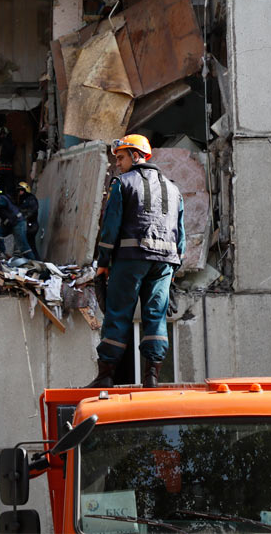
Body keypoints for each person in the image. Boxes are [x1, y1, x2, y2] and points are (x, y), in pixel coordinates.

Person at [87, 134, 184, 389]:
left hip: (131, 259)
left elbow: (110, 227)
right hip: (164, 263)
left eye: (120, 157)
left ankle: (106, 375)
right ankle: (151, 376)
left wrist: (103, 261)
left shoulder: (122, 183)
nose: (117, 163)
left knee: (118, 315)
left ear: (136, 155)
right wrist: (174, 271)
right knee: (156, 317)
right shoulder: (174, 189)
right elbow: (180, 234)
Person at [0, 182, 34, 260]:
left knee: (23, 245)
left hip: (18, 223)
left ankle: (35, 263)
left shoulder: (1, 198)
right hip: (11, 223)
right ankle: (2, 253)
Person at [15, 181, 39, 256]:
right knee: (29, 245)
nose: (20, 192)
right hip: (27, 225)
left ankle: (36, 261)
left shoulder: (30, 199)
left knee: (30, 245)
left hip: (31, 225)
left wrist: (24, 217)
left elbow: (33, 210)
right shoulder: (22, 200)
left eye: (21, 190)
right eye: (18, 191)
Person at [0, 126, 17, 192]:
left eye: (4, 134)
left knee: (10, 189)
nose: (2, 136)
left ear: (7, 134)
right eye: (1, 134)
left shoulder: (10, 143)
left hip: (7, 171)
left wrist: (5, 141)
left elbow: (11, 152)